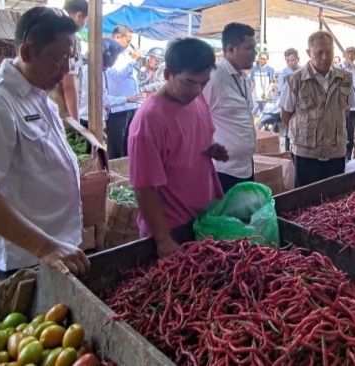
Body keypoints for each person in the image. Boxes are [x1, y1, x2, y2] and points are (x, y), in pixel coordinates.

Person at [0, 6, 90, 278]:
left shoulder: (38, 93)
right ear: (26, 53)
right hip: (29, 257)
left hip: (60, 248)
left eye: (71, 58)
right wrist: (45, 247)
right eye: (57, 59)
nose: (66, 70)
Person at [128, 38, 228, 258]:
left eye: (204, 83)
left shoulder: (196, 98)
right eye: (189, 82)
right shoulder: (149, 120)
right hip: (171, 229)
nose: (197, 90)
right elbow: (143, 187)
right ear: (167, 74)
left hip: (202, 219)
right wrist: (163, 239)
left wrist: (210, 149)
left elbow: (190, 142)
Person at [279, 31, 354, 188]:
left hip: (336, 152)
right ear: (308, 53)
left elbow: (345, 111)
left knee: (334, 200)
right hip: (306, 153)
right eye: (319, 53)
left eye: (329, 52)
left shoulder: (345, 79)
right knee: (305, 201)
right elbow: (286, 114)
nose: (325, 57)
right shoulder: (295, 79)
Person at [202, 22, 257, 193]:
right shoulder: (214, 78)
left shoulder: (242, 77)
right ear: (231, 49)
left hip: (245, 166)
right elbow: (195, 119)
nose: (254, 54)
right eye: (249, 49)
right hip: (223, 171)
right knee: (225, 217)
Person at [78, 38, 142, 130]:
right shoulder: (93, 71)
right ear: (108, 56)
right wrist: (126, 99)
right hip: (88, 120)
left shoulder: (95, 69)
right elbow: (103, 100)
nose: (115, 61)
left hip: (91, 118)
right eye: (115, 57)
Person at [105, 24, 141, 159]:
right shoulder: (111, 54)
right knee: (116, 145)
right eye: (128, 40)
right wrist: (132, 61)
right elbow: (116, 77)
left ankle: (126, 173)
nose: (129, 44)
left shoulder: (124, 54)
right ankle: (114, 174)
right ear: (117, 36)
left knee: (128, 142)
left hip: (131, 105)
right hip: (119, 106)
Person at [49, 0, 88, 122]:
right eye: (86, 20)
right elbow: (69, 85)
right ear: (79, 16)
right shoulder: (71, 39)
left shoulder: (50, 31)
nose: (85, 25)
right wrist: (75, 123)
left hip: (46, 109)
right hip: (61, 114)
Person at [340, 46, 355, 160]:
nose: (350, 56)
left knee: (350, 129)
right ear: (344, 55)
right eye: (348, 53)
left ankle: (348, 153)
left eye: (353, 54)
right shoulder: (339, 69)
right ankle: (340, 151)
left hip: (353, 104)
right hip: (339, 104)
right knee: (340, 128)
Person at [250, 51, 275, 116]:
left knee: (265, 115)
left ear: (267, 60)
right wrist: (249, 93)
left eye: (264, 59)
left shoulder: (270, 69)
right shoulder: (254, 69)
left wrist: (266, 93)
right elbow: (252, 83)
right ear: (258, 58)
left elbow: (272, 83)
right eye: (261, 58)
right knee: (254, 115)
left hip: (266, 97)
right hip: (256, 97)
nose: (262, 60)